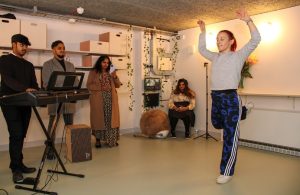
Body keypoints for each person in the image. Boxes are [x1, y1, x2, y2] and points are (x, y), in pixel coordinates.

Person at [197, 9, 261, 184]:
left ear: (231, 41)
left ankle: (226, 171)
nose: (218, 42)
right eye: (217, 39)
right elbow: (202, 48)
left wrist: (248, 21)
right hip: (216, 98)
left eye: (222, 39)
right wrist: (203, 32)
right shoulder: (215, 57)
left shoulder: (238, 56)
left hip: (230, 98)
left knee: (230, 136)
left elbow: (256, 40)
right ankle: (243, 112)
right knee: (217, 124)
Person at [0, 34, 39, 183]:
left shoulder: (28, 65)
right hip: (9, 103)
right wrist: (25, 89)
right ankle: (15, 169)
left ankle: (18, 163)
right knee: (16, 134)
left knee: (21, 134)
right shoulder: (4, 60)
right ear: (13, 44)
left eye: (26, 45)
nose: (24, 48)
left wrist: (37, 90)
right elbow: (8, 81)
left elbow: (33, 84)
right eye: (21, 44)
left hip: (25, 103)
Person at [42, 40, 77, 160]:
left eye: (63, 48)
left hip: (68, 100)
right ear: (53, 50)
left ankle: (71, 150)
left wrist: (67, 85)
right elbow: (46, 84)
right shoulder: (47, 65)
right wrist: (65, 85)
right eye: (59, 48)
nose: (62, 50)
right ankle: (49, 151)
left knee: (69, 126)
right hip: (55, 100)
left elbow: (76, 82)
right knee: (52, 127)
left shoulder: (71, 66)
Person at [87, 55, 121, 148]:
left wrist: (115, 76)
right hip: (98, 99)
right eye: (104, 62)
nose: (106, 64)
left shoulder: (111, 71)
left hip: (111, 99)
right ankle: (98, 140)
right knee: (99, 120)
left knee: (110, 120)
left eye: (107, 63)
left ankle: (111, 139)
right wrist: (101, 88)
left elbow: (118, 85)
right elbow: (89, 85)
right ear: (100, 62)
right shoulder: (93, 72)